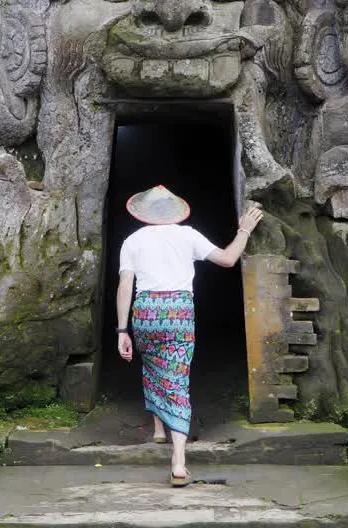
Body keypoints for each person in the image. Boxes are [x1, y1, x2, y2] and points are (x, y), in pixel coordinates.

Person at [115, 185, 264, 487]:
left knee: (153, 364)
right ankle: (179, 462)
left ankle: (159, 429)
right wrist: (244, 230)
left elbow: (125, 286)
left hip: (145, 310)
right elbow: (227, 259)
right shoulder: (188, 235)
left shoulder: (132, 240)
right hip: (179, 311)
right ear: (175, 213)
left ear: (144, 214)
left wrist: (122, 330)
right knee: (176, 377)